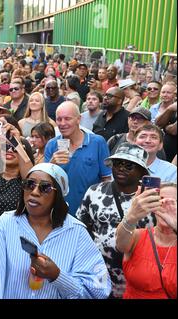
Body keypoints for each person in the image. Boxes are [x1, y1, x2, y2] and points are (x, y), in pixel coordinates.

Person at [0, 163, 111, 299]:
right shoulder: (6, 223)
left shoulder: (76, 233)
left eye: (45, 188)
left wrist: (57, 276)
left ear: (58, 196)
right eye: (29, 184)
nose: (35, 192)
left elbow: (97, 291)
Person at [76, 143, 154, 298]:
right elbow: (81, 228)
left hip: (137, 275)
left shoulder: (151, 199)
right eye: (117, 163)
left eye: (129, 165)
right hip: (99, 272)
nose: (121, 168)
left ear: (142, 172)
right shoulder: (94, 191)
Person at [45, 102, 112, 216]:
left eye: (67, 119)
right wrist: (51, 165)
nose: (62, 123)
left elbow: (106, 180)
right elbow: (44, 182)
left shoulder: (97, 142)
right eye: (59, 119)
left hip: (90, 212)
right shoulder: (52, 144)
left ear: (78, 119)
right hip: (59, 212)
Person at [116, 182, 177, 299]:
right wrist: (131, 216)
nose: (166, 204)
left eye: (173, 202)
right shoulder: (139, 236)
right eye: (161, 199)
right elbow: (120, 245)